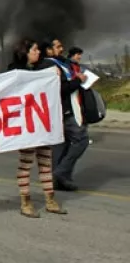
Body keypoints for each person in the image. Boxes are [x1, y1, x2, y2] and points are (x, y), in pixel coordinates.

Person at [7, 40, 67, 218]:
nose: (38, 52)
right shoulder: (13, 72)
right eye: (34, 50)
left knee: (46, 163)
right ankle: (25, 201)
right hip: (26, 126)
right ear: (24, 52)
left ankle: (50, 200)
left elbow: (58, 88)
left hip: (43, 123)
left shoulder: (44, 68)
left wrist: (55, 76)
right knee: (26, 164)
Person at [38, 39, 88, 191]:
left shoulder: (62, 63)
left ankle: (60, 181)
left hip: (65, 111)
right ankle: (61, 173)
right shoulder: (48, 65)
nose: (62, 49)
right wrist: (77, 81)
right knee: (82, 140)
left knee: (61, 147)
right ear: (48, 50)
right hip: (63, 111)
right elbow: (59, 89)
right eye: (58, 46)